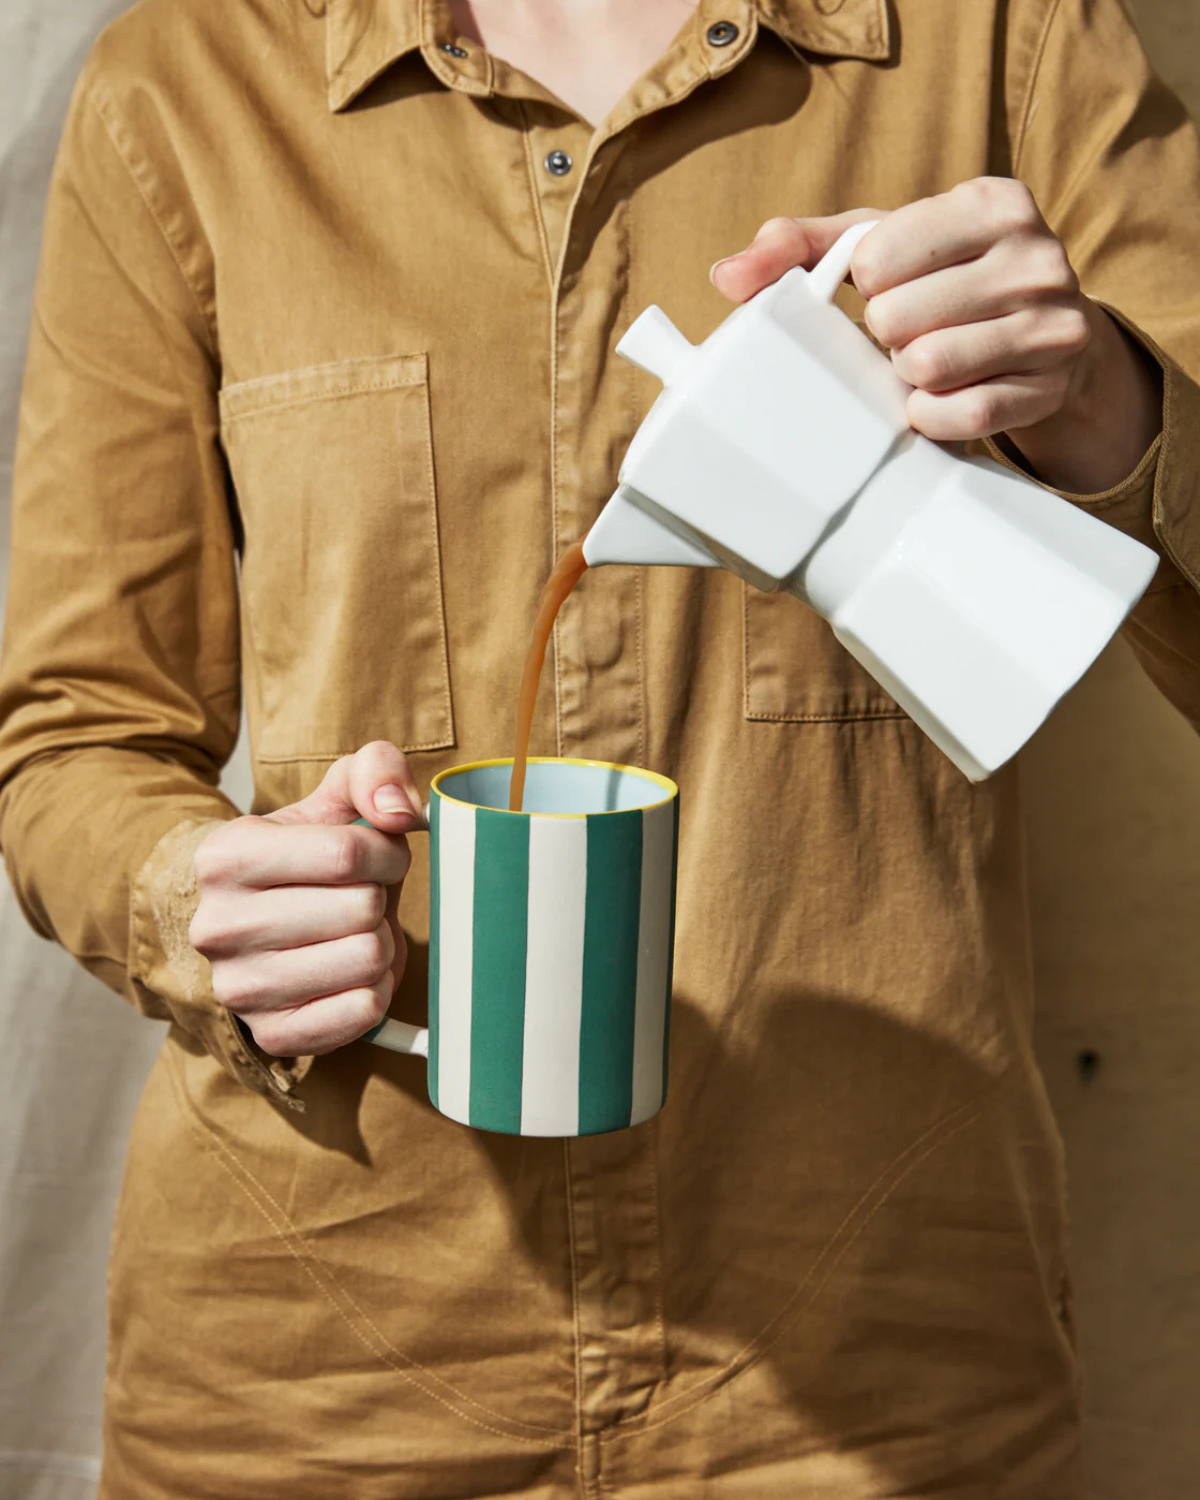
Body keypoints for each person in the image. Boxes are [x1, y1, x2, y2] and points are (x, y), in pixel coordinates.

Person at [1, 0, 1198, 1493]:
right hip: (316, 1374)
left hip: (872, 1364)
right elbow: (77, 731)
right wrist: (193, 896)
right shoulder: (185, 85)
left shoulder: (1003, 46)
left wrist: (1103, 402)